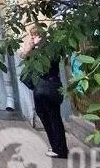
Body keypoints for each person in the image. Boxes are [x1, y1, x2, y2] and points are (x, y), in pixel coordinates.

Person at [20, 24, 68, 159]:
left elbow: (46, 65)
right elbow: (23, 56)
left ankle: (59, 149)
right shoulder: (41, 49)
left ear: (41, 36)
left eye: (34, 35)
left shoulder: (47, 50)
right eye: (32, 36)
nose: (32, 38)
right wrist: (30, 47)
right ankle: (57, 146)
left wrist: (33, 48)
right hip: (47, 87)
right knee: (50, 116)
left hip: (46, 88)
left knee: (51, 117)